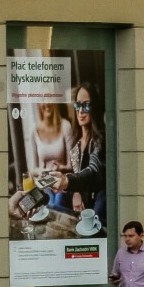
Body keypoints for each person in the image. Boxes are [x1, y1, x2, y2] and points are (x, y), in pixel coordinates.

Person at [52, 82, 107, 225]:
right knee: (54, 196)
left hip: (98, 199)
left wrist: (68, 181)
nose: (81, 111)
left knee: (103, 197)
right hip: (84, 197)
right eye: (77, 105)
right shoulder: (76, 145)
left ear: (94, 108)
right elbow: (78, 171)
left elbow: (93, 171)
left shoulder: (100, 139)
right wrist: (75, 191)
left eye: (86, 105)